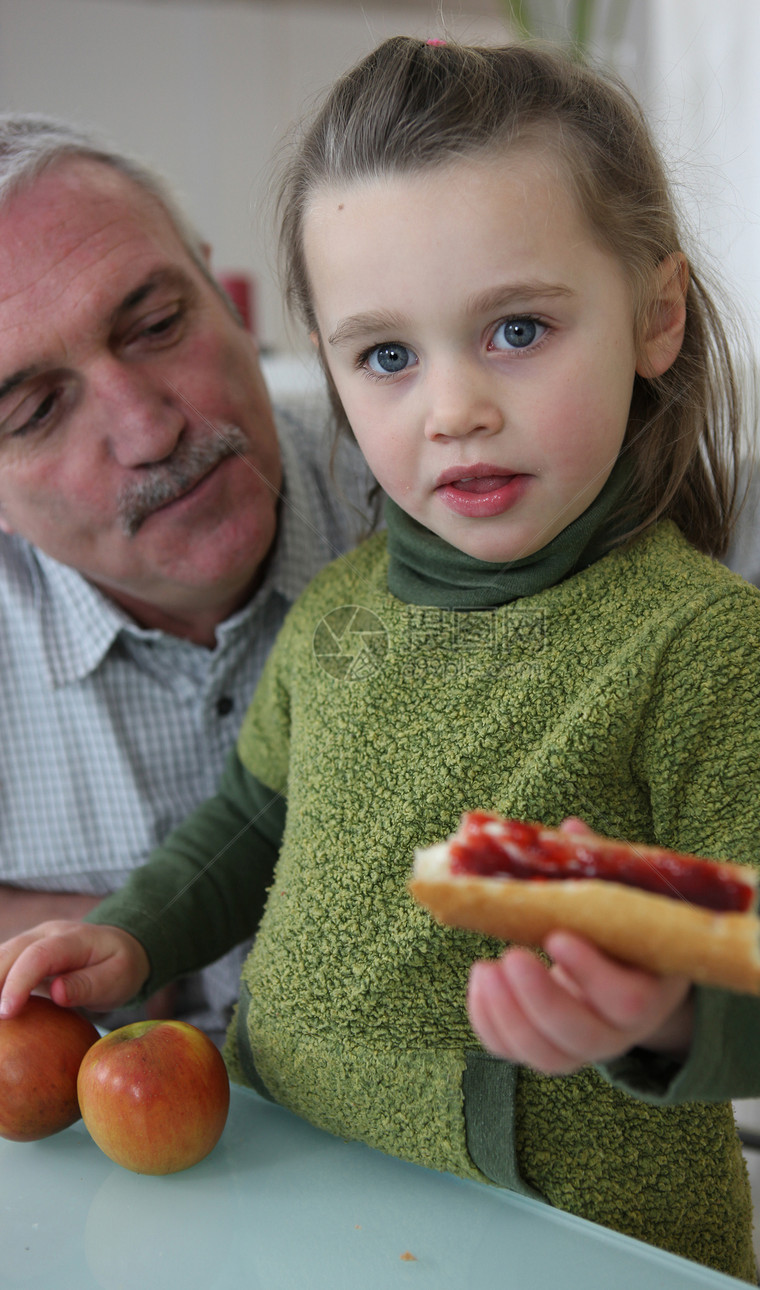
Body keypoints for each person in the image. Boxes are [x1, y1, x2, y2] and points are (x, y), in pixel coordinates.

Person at [2, 38, 760, 1278]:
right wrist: (137, 936)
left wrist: (675, 1011)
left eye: (517, 328)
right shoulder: (343, 608)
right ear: (333, 369)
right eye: (387, 357)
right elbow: (254, 816)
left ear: (654, 317)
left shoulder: (706, 651)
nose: (452, 407)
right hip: (285, 1186)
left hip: (555, 1236)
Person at [0, 115, 371, 1038]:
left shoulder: (440, 480)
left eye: (159, 325)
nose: (147, 430)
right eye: (39, 410)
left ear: (225, 294)